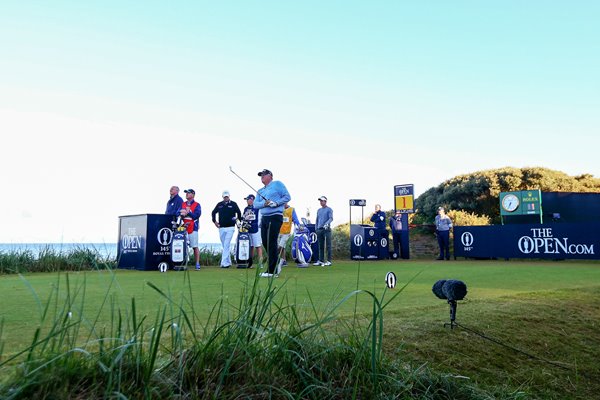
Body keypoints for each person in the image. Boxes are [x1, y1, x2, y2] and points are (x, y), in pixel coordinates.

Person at [253, 169, 291, 278]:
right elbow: (256, 204)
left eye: (264, 175)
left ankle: (272, 271)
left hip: (275, 216)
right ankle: (276, 262)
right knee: (265, 242)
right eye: (261, 175)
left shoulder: (277, 184)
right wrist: (265, 203)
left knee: (271, 242)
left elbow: (287, 197)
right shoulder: (260, 190)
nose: (262, 177)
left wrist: (276, 203)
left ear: (270, 175)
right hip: (264, 218)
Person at [211, 190, 242, 268]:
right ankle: (228, 262)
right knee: (224, 245)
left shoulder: (233, 204)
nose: (226, 198)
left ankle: (224, 263)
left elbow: (239, 212)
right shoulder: (219, 204)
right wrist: (215, 221)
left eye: (227, 197)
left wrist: (238, 221)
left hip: (231, 227)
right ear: (223, 197)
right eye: (225, 197)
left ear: (229, 196)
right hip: (221, 227)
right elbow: (213, 212)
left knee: (226, 244)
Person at [177, 189, 202, 269]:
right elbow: (177, 213)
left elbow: (196, 215)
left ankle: (197, 263)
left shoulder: (197, 204)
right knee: (183, 245)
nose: (187, 194)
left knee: (194, 246)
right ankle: (183, 263)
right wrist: (182, 213)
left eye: (189, 193)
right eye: (186, 193)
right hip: (183, 227)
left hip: (193, 227)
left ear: (193, 195)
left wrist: (188, 212)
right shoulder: (183, 204)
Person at [242, 194, 263, 268]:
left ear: (252, 200)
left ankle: (260, 263)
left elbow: (260, 219)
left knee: (258, 246)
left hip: (256, 229)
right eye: (247, 200)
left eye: (249, 199)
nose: (248, 201)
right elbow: (244, 218)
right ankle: (250, 262)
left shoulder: (257, 208)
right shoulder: (246, 209)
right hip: (248, 230)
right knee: (250, 246)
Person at [277, 203, 300, 268]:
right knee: (282, 247)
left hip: (286, 232)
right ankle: (283, 260)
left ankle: (275, 259)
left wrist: (298, 225)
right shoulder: (279, 209)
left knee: (280, 246)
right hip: (278, 231)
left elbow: (295, 219)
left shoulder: (291, 209)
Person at [314, 196, 333, 266]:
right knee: (320, 246)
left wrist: (326, 224)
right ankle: (321, 261)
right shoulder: (319, 210)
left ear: (325, 201)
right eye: (320, 201)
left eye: (322, 201)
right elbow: (317, 220)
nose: (321, 202)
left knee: (328, 245)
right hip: (319, 229)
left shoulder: (329, 209)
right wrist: (316, 228)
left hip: (326, 229)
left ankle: (328, 261)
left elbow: (331, 218)